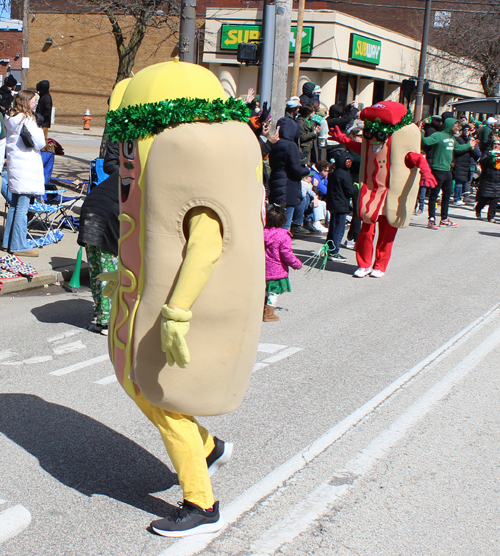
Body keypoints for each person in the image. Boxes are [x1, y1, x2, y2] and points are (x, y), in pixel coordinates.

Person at [330, 100, 437, 278]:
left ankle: (380, 265)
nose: (373, 137)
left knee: (387, 233)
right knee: (366, 229)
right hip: (372, 190)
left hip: (392, 193)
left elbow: (415, 157)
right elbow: (362, 148)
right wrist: (343, 139)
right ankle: (364, 264)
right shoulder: (371, 143)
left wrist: (425, 171)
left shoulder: (399, 144)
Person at [2, 91, 45, 257]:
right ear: (27, 102)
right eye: (34, 101)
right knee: (22, 208)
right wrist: (39, 127)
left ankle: (8, 242)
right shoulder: (28, 119)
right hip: (27, 167)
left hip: (16, 166)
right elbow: (40, 143)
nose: (36, 104)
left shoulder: (12, 118)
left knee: (14, 205)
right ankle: (19, 244)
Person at [77, 171, 120, 335]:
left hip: (89, 212)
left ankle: (100, 316)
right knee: (109, 274)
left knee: (97, 273)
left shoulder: (123, 173)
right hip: (106, 219)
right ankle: (106, 323)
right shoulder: (138, 178)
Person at [421, 117, 478, 229]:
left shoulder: (452, 138)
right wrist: (420, 132)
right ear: (449, 125)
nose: (457, 127)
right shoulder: (438, 135)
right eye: (455, 125)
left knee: (447, 196)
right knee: (434, 195)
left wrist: (469, 145)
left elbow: (458, 148)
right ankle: (431, 219)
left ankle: (444, 219)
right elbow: (426, 141)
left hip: (448, 170)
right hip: (438, 169)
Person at [268, 116, 310, 232]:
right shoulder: (291, 145)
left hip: (276, 182)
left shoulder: (274, 144)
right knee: (285, 225)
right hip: (288, 186)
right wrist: (307, 170)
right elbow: (295, 170)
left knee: (275, 222)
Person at [263, 204, 302, 322]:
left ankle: (261, 309)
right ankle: (268, 314)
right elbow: (286, 254)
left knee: (265, 290)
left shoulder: (262, 232)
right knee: (274, 292)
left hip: (263, 268)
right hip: (277, 269)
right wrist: (296, 263)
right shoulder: (283, 235)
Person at [326, 150, 355, 261]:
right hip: (341, 205)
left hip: (333, 204)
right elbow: (349, 191)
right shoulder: (345, 175)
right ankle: (334, 251)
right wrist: (355, 188)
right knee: (339, 229)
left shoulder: (333, 173)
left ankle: (328, 249)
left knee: (332, 228)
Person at [452, 125, 480, 205]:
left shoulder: (471, 140)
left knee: (466, 181)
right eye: (465, 129)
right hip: (459, 162)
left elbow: (477, 154)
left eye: (469, 130)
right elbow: (457, 151)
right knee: (459, 181)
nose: (467, 131)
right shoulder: (458, 139)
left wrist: (473, 147)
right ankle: (457, 198)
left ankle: (464, 197)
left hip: (468, 164)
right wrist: (468, 146)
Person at [475, 139, 500, 222]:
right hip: (487, 179)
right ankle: (478, 209)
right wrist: (490, 157)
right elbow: (482, 161)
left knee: (494, 200)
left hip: (498, 180)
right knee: (484, 199)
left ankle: (491, 217)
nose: (497, 146)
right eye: (495, 144)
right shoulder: (488, 152)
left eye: (498, 144)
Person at [35, 80, 52, 149]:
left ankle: (44, 153)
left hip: (44, 123)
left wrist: (42, 120)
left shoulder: (46, 98)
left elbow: (47, 111)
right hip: (40, 122)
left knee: (43, 139)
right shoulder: (42, 96)